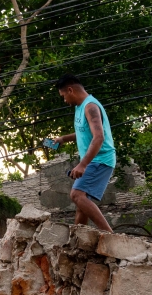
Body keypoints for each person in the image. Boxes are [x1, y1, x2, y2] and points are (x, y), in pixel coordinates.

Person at [50, 74, 116, 232]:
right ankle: (78, 241)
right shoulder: (80, 107)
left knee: (76, 195)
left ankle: (111, 236)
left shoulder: (90, 106)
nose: (64, 101)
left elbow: (99, 137)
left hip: (101, 159)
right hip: (95, 160)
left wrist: (83, 164)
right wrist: (62, 139)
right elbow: (83, 133)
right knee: (82, 204)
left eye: (63, 96)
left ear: (70, 90)